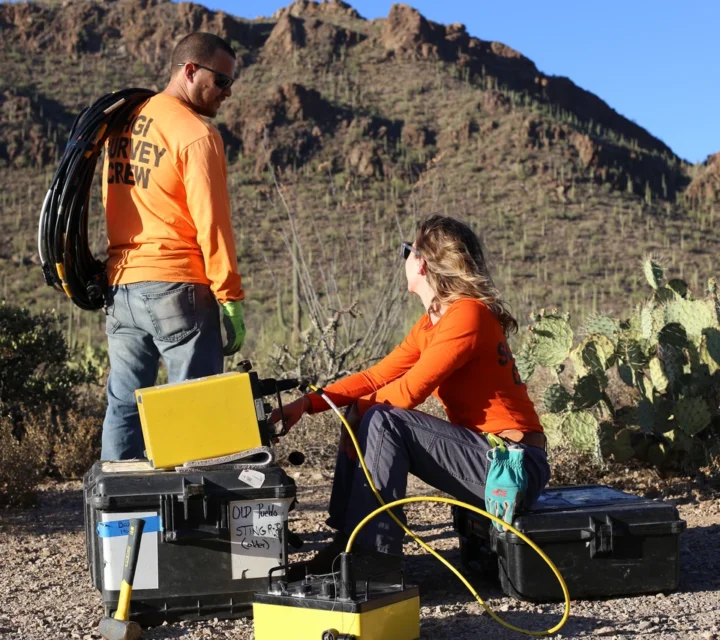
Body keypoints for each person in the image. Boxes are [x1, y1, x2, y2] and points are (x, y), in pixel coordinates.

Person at [272, 215, 550, 579]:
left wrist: (357, 412)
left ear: (422, 262)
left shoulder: (468, 315)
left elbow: (409, 391)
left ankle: (374, 559)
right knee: (368, 413)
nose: (404, 259)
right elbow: (377, 375)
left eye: (407, 250)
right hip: (488, 458)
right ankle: (347, 544)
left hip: (513, 467)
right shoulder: (432, 323)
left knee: (381, 418)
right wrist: (308, 404)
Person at [100, 32, 246, 460]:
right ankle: (189, 523)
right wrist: (230, 298)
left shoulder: (124, 121)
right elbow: (213, 224)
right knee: (191, 410)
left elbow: (111, 197)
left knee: (124, 405)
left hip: (121, 285)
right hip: (176, 288)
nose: (227, 92)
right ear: (189, 71)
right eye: (220, 81)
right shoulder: (197, 135)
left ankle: (120, 517)